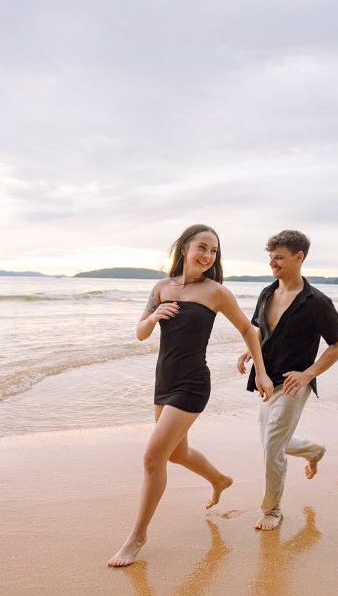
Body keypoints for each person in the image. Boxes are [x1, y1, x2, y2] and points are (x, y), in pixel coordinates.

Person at [109, 224, 273, 567]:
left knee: (153, 457)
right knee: (176, 454)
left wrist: (262, 371)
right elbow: (140, 333)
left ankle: (138, 536)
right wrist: (154, 315)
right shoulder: (161, 288)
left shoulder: (216, 292)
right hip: (163, 380)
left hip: (193, 383)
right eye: (202, 247)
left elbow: (248, 329)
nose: (208, 256)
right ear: (184, 248)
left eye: (213, 251)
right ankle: (219, 479)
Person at [237, 230, 338, 531]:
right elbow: (259, 330)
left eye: (279, 258)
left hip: (293, 384)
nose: (273, 263)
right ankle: (313, 451)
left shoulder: (317, 302)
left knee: (273, 445)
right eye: (271, 257)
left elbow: (337, 347)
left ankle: (271, 510)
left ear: (299, 257)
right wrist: (249, 352)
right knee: (270, 442)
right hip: (266, 380)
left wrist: (308, 373)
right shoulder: (266, 293)